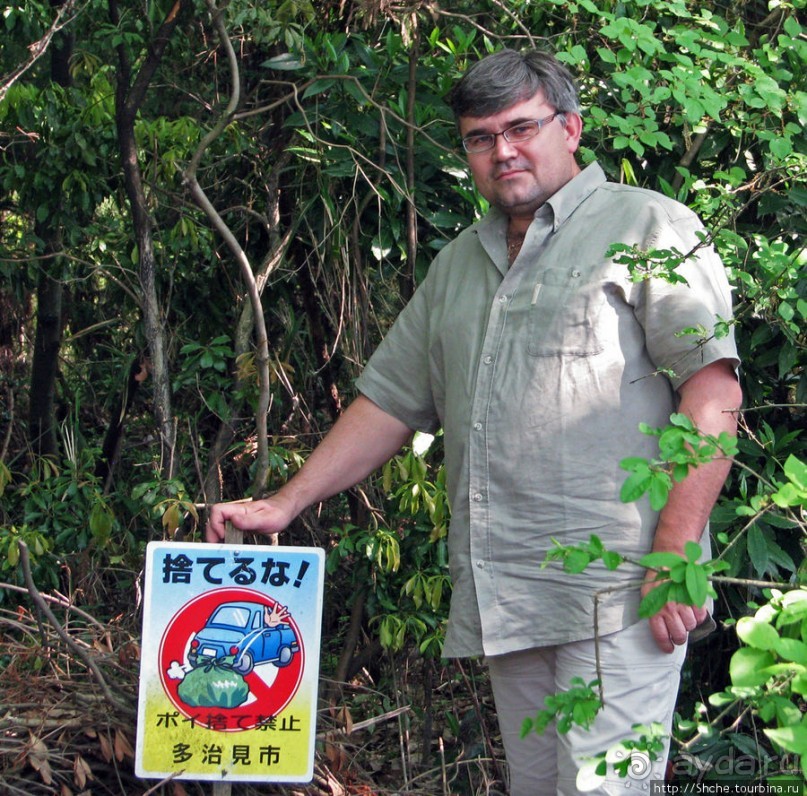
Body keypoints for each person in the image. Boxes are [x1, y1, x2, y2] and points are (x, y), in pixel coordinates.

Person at [207, 49, 742, 795]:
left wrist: (675, 551)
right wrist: (285, 502)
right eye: (479, 137)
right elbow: (389, 402)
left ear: (571, 128)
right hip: (508, 590)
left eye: (520, 128)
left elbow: (712, 398)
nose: (503, 151)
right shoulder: (459, 262)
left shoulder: (647, 222)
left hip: (619, 592)